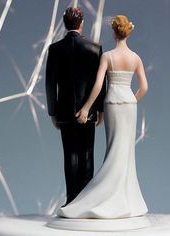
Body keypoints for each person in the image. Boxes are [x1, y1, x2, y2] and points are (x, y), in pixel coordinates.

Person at [57, 15, 148, 218]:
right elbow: (144, 87)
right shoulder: (135, 57)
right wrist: (132, 99)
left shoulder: (108, 56)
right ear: (127, 32)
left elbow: (99, 85)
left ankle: (103, 196)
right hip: (129, 106)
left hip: (112, 104)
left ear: (114, 32)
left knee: (113, 148)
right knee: (125, 151)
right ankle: (127, 198)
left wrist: (86, 108)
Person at [45, 7, 106, 206]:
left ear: (64, 23)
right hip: (87, 113)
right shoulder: (94, 48)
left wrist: (53, 113)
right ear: (81, 23)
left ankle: (71, 200)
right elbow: (100, 82)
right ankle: (85, 202)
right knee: (87, 154)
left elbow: (49, 83)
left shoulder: (55, 49)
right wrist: (100, 110)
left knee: (69, 155)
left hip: (64, 112)